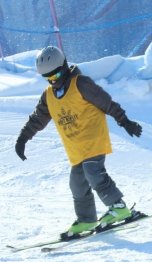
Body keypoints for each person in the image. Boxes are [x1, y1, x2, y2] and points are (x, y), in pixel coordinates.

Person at [15, 46, 142, 240]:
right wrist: (23, 138)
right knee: (77, 184)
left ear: (64, 66)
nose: (53, 80)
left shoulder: (81, 83)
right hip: (76, 148)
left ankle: (119, 207)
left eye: (56, 74)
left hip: (94, 140)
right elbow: (37, 119)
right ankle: (87, 219)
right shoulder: (48, 95)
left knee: (94, 174)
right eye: (48, 77)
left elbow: (106, 102)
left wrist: (125, 121)